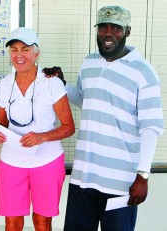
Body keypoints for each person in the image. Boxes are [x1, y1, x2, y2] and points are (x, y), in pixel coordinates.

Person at [45, 5, 164, 231]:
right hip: (84, 175)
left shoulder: (143, 71)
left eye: (116, 28)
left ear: (127, 31)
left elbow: (151, 127)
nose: (108, 32)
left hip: (120, 180)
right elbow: (84, 98)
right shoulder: (89, 62)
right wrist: (60, 84)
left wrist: (143, 175)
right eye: (103, 27)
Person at [0, 27, 75, 231]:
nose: (19, 55)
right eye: (14, 50)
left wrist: (42, 137)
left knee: (42, 222)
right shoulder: (4, 85)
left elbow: (69, 127)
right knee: (12, 222)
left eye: (25, 49)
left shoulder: (52, 83)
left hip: (47, 161)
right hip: (12, 162)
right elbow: (2, 123)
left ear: (36, 53)